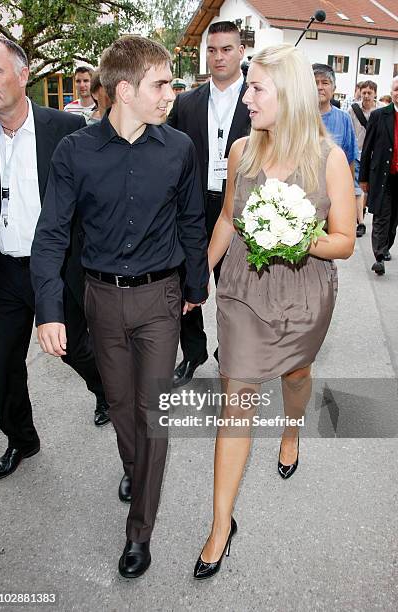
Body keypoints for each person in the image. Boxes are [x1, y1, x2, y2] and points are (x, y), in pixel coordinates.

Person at [30, 35, 209, 578]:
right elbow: (52, 234)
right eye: (161, 83)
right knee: (121, 405)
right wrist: (50, 309)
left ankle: (139, 533)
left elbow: (191, 222)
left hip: (160, 298)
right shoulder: (75, 153)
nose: (170, 94)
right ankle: (136, 466)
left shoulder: (179, 148)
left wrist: (196, 287)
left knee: (153, 414)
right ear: (125, 90)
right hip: (100, 300)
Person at [193, 44, 355, 580]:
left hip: (304, 295)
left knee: (297, 376)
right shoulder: (241, 151)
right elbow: (225, 221)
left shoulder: (328, 158)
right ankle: (220, 525)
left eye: (257, 87)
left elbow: (345, 241)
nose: (246, 96)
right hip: (243, 291)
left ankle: (291, 429)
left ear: (287, 95)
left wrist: (297, 234)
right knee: (235, 396)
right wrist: (198, 278)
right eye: (247, 86)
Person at [0, 38, 108, 483]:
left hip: (56, 268)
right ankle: (22, 439)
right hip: (3, 270)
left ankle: (104, 392)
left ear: (23, 76)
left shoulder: (62, 128)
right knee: (5, 363)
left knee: (75, 349)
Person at [168, 20, 250, 387]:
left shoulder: (258, 98)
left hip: (240, 209)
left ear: (241, 52)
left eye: (227, 49)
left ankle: (227, 352)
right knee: (187, 280)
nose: (219, 57)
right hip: (193, 206)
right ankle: (194, 351)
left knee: (234, 287)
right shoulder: (185, 103)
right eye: (212, 50)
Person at [359, 76, 398, 276]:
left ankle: (386, 246)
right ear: (391, 92)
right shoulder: (379, 115)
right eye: (396, 89)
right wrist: (364, 178)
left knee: (394, 220)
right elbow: (367, 149)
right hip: (382, 176)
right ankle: (379, 256)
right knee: (382, 216)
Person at [348, 80, 380, 237]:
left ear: (375, 93)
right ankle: (360, 222)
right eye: (364, 92)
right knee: (358, 188)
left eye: (369, 93)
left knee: (371, 189)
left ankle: (365, 210)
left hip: (377, 156)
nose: (366, 95)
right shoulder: (353, 110)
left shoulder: (381, 110)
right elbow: (350, 131)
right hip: (358, 154)